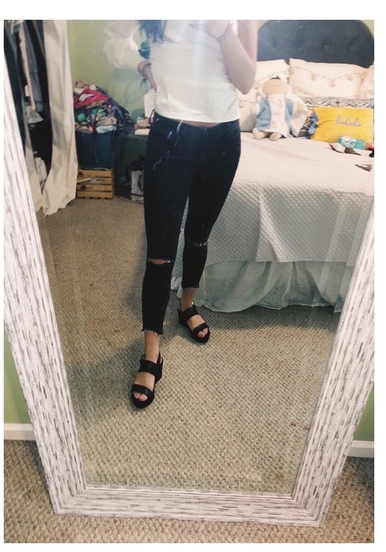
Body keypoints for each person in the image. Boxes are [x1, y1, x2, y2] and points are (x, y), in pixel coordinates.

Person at [103, 20, 257, 408]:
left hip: (223, 140)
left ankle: (187, 304)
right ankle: (151, 351)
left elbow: (245, 81)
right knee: (160, 250)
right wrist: (143, 66)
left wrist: (222, 32)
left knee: (199, 235)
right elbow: (114, 38)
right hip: (171, 136)